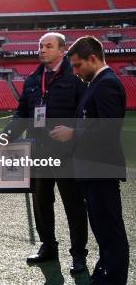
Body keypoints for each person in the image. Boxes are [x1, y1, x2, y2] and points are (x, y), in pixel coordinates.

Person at [4, 32, 88, 273]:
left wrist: (73, 130)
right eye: (40, 46)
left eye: (48, 46)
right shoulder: (32, 80)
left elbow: (88, 114)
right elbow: (21, 114)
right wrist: (5, 136)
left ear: (63, 51)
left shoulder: (76, 79)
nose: (42, 50)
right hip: (38, 153)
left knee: (73, 204)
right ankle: (48, 246)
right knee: (41, 202)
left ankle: (79, 254)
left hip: (67, 154)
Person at [50, 36, 129, 285]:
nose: (74, 72)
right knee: (103, 231)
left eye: (77, 66)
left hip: (101, 170)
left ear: (92, 59)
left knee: (110, 231)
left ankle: (113, 279)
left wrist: (73, 133)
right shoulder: (97, 83)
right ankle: (104, 273)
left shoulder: (106, 84)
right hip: (92, 170)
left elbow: (108, 130)